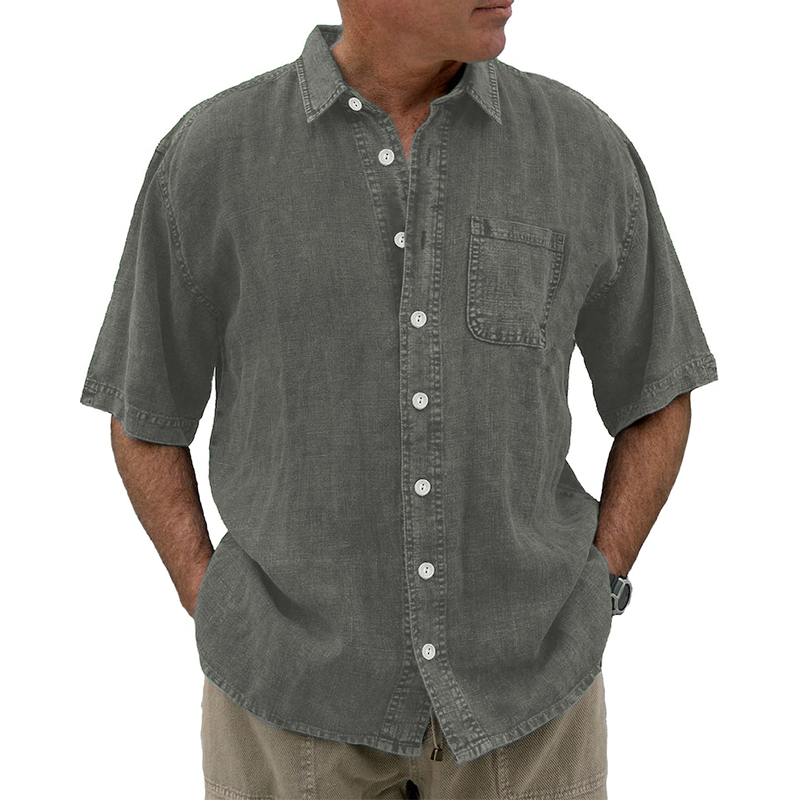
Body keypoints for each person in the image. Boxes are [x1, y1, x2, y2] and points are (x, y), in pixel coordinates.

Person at [81, 0, 718, 797]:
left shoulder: (581, 148)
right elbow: (145, 411)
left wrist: (604, 580)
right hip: (286, 701)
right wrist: (208, 596)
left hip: (529, 700)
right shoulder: (213, 154)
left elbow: (657, 391)